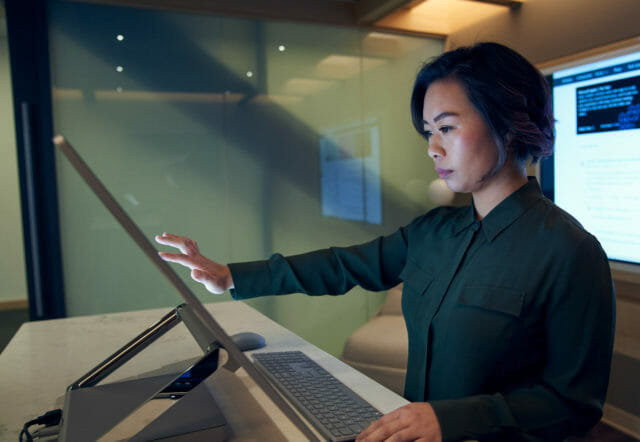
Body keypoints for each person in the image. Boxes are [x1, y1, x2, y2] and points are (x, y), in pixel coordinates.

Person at [156, 42, 616, 442]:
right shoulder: (434, 231)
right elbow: (342, 266)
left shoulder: (570, 251)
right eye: (429, 132)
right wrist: (231, 275)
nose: (433, 148)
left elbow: (573, 404)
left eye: (448, 127)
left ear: (509, 121)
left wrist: (452, 419)